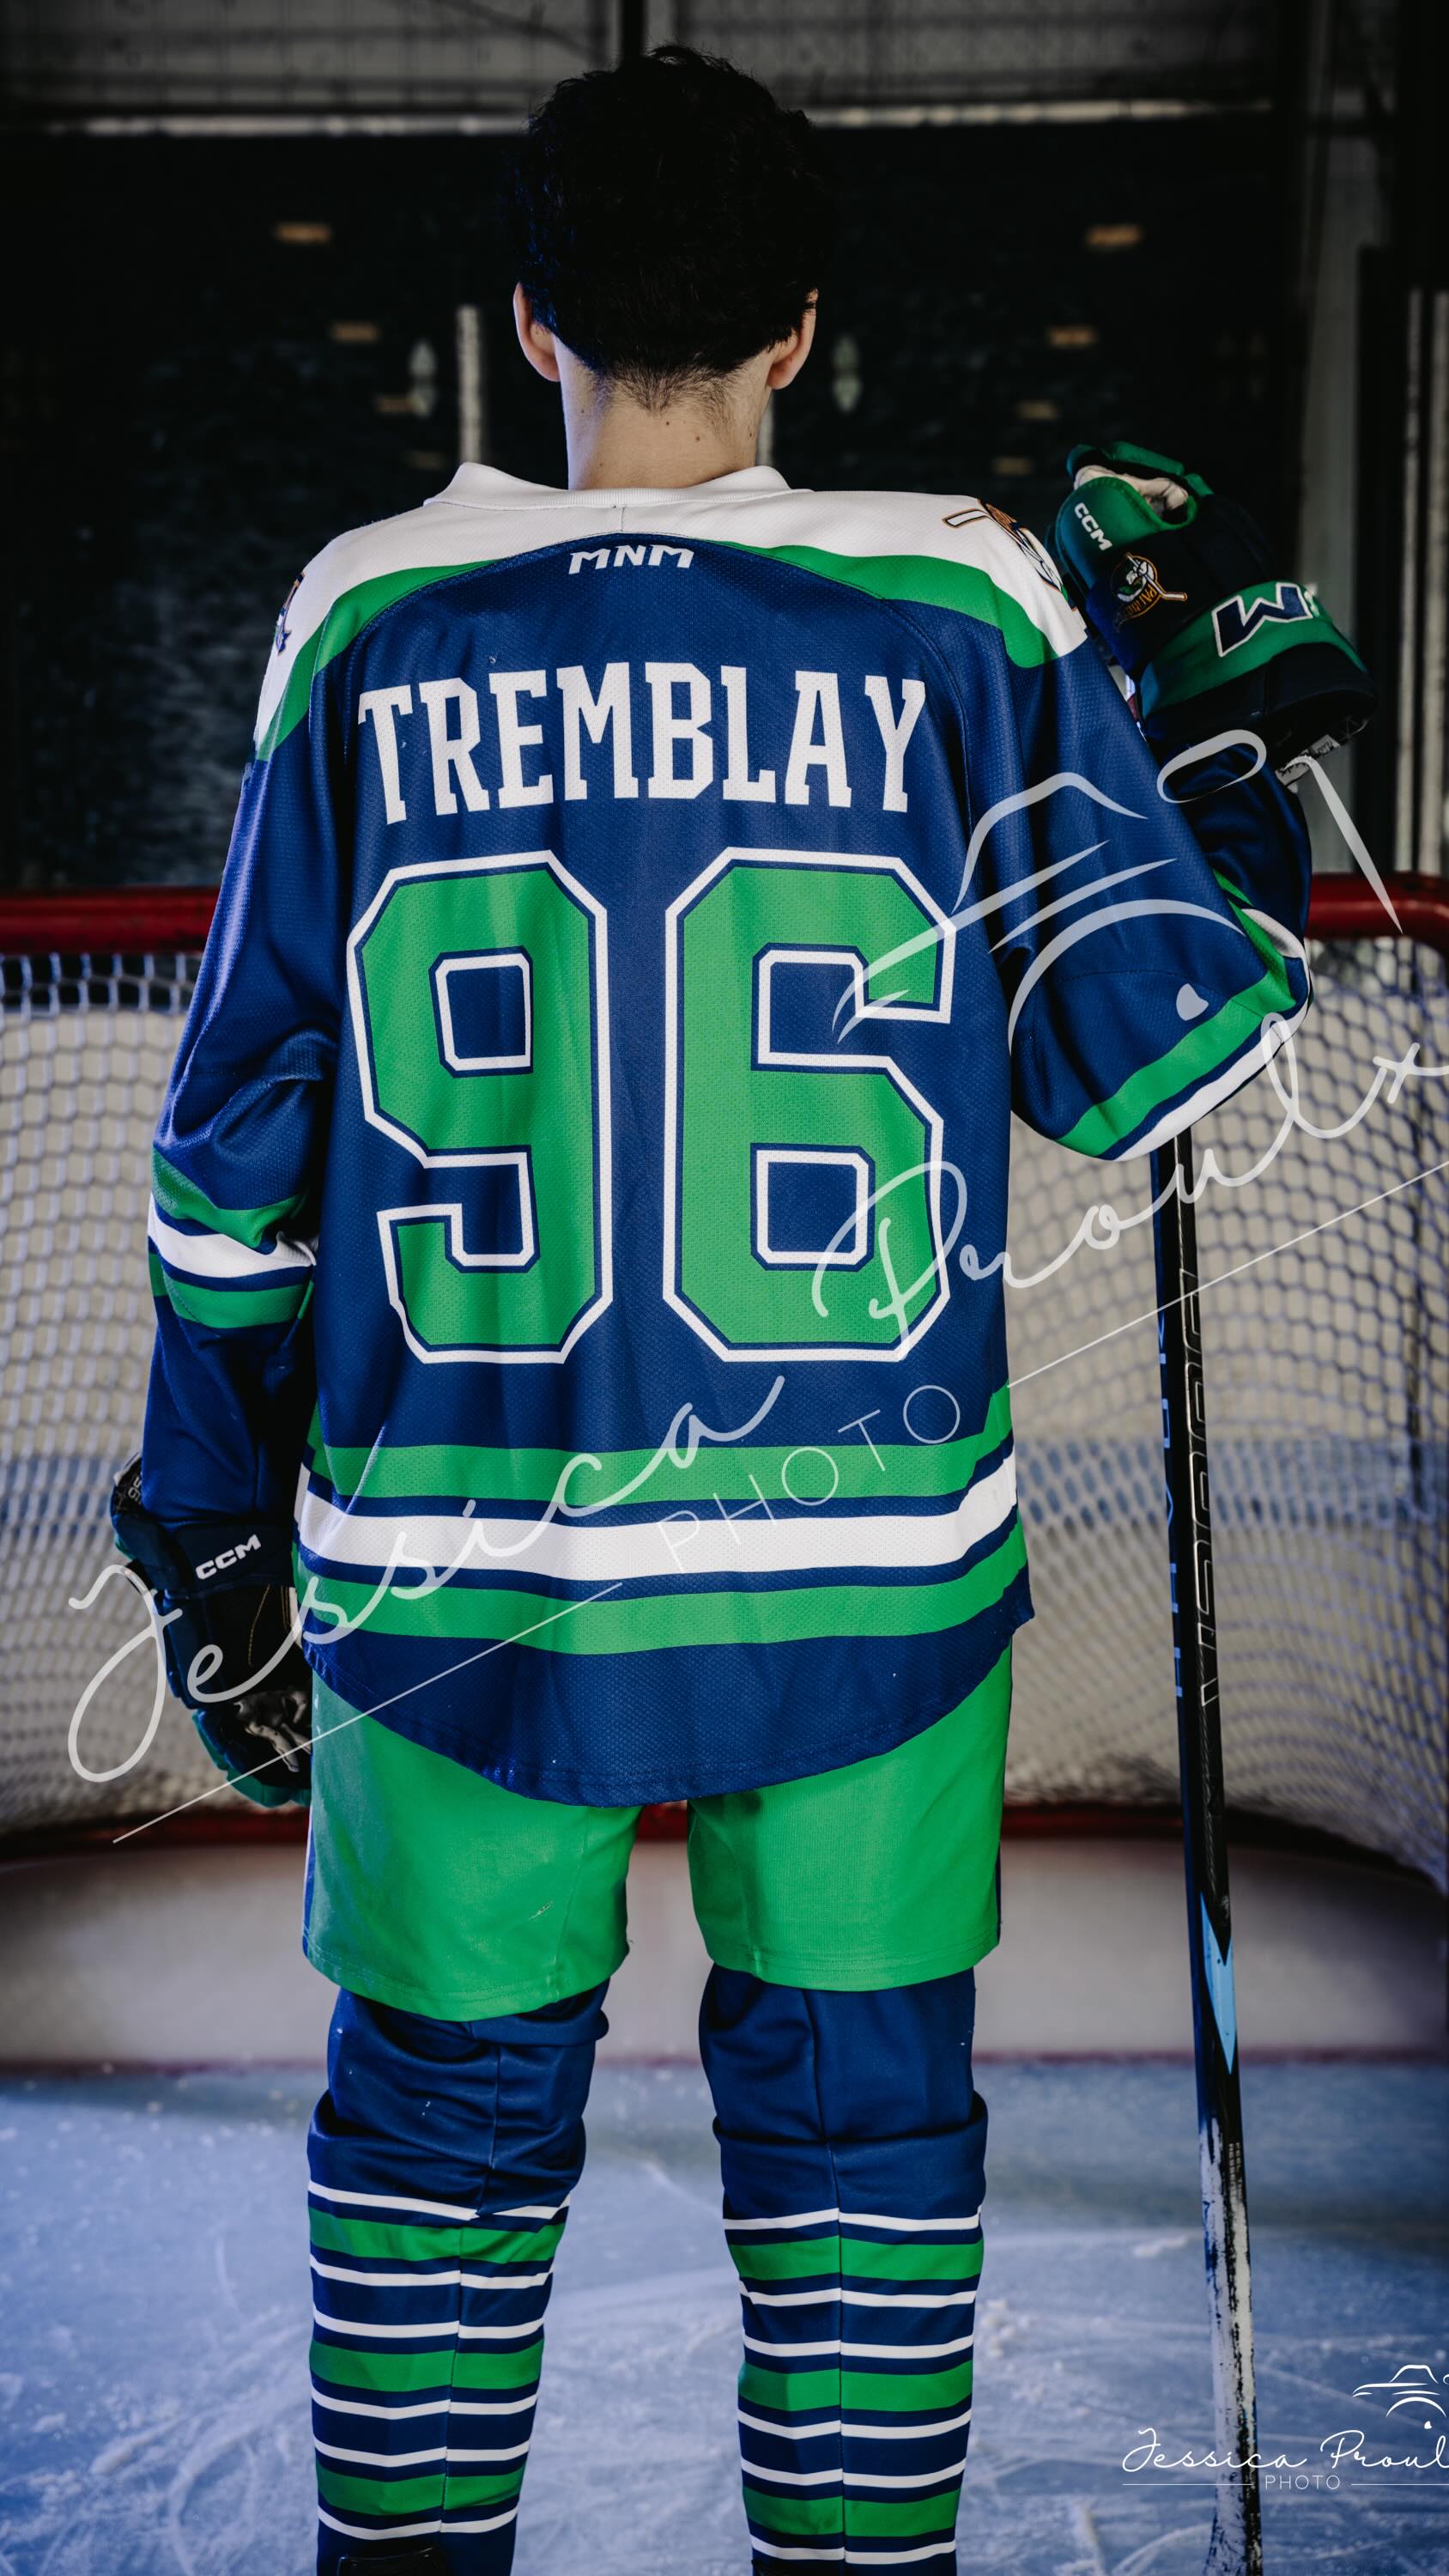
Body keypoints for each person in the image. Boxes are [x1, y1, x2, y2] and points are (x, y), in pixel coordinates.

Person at [114, 43, 1366, 2575]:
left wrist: (211, 1531)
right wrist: (1223, 747)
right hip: (866, 1562)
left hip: (452, 1567)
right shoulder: (969, 595)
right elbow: (1159, 1059)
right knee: (864, 2120)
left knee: (441, 2137)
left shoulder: (363, 618)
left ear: (527, 317)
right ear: (804, 327)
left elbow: (235, 1172)